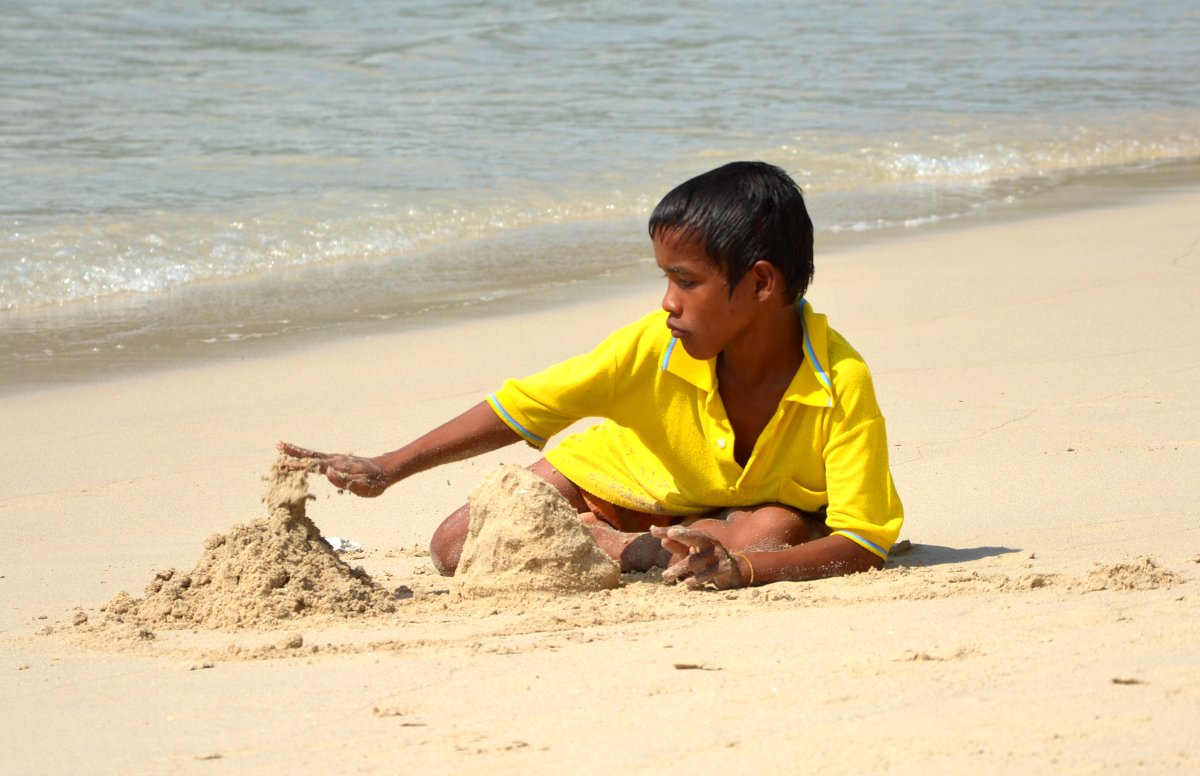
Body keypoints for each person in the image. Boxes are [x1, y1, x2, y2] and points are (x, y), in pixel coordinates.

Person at [278, 161, 903, 590]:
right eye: (665, 278)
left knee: (772, 535)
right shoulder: (650, 347)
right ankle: (621, 545)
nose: (667, 302)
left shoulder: (839, 382)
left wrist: (743, 570)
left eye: (685, 281)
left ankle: (663, 546)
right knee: (457, 545)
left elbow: (865, 540)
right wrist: (390, 467)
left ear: (761, 282)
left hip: (758, 512)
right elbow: (522, 407)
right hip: (626, 479)